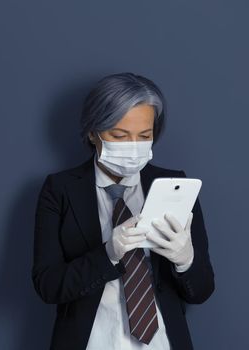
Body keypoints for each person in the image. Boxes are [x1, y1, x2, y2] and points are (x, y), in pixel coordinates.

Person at [32, 72, 215, 350]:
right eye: (119, 135)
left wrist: (186, 260)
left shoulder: (176, 185)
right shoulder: (60, 190)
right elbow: (47, 285)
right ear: (93, 133)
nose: (132, 147)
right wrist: (106, 255)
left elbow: (201, 291)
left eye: (144, 136)